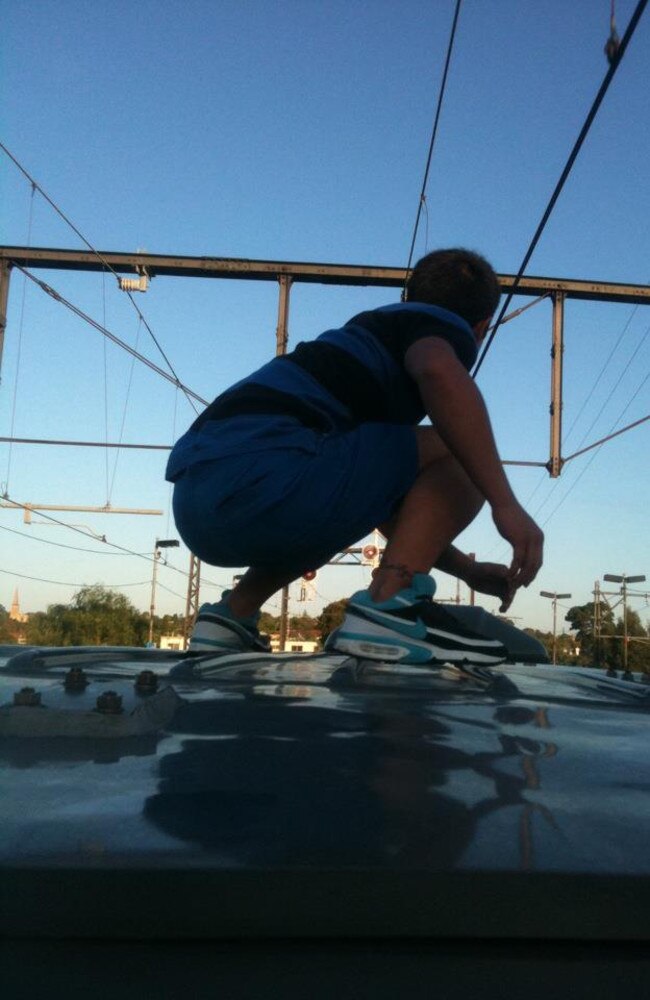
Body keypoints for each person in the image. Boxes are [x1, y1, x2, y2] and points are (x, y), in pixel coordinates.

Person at [166, 248, 544, 663]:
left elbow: (373, 504)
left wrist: (466, 572)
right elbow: (437, 368)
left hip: (199, 499)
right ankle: (391, 606)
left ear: (407, 294)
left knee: (330, 515)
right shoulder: (435, 326)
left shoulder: (364, 343)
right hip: (267, 470)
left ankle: (230, 617)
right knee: (461, 448)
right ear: (481, 328)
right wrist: (505, 504)